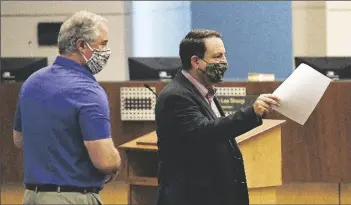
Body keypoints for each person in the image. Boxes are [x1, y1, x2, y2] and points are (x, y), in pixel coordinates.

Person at [155, 29, 280, 205]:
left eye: (224, 55)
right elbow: (205, 132)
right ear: (196, 61)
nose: (224, 62)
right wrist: (252, 113)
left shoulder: (206, 92)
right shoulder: (176, 96)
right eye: (217, 56)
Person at [12, 11, 121, 205]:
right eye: (103, 44)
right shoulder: (88, 91)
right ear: (81, 45)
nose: (106, 50)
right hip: (73, 197)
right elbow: (105, 161)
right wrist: (116, 162)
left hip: (31, 197)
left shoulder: (31, 82)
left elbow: (19, 139)